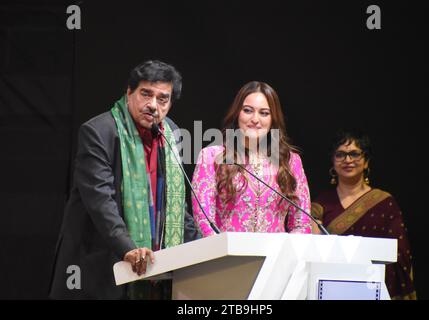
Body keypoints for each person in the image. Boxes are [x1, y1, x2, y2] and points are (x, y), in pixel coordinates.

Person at [49, 60, 200, 299]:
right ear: (129, 92)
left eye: (162, 99)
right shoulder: (99, 132)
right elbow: (101, 203)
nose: (153, 105)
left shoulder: (170, 133)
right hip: (100, 264)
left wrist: (207, 244)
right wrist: (128, 248)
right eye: (145, 94)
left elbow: (174, 205)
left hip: (152, 268)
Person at [191, 81, 312, 236]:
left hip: (277, 257)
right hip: (228, 256)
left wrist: (284, 251)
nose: (255, 119)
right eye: (248, 111)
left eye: (264, 113)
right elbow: (204, 220)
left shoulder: (290, 161)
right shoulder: (212, 156)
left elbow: (302, 222)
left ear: (273, 119)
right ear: (237, 114)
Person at [311, 130, 416, 300]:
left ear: (366, 161)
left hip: (375, 288)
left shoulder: (385, 203)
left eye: (354, 154)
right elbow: (312, 251)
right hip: (333, 287)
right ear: (333, 161)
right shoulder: (320, 204)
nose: (348, 160)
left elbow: (400, 254)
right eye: (340, 155)